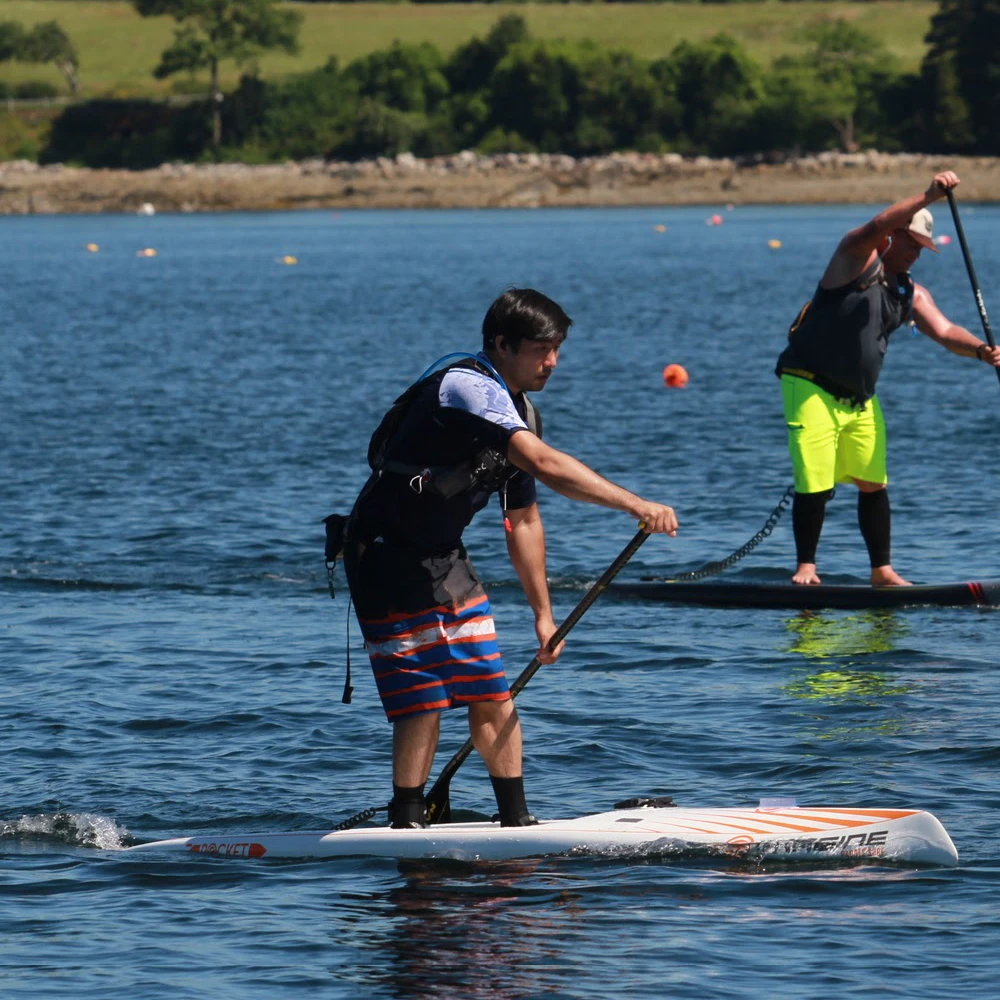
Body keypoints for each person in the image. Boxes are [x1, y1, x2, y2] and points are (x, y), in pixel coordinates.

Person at [343, 288, 678, 828]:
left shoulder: (523, 413)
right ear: (501, 344)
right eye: (540, 350)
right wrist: (635, 504)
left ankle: (516, 823)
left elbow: (523, 520)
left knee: (489, 689)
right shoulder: (465, 387)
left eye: (557, 349)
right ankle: (405, 820)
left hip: (442, 557)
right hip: (383, 558)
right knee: (423, 699)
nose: (551, 362)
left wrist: (543, 615)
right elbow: (544, 464)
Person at [775, 171, 1000, 587]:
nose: (916, 254)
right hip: (809, 384)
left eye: (922, 248)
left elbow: (948, 333)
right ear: (894, 235)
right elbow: (877, 224)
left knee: (874, 483)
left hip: (859, 399)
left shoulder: (911, 292)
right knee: (814, 480)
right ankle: (806, 567)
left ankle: (882, 571)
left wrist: (982, 352)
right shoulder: (853, 257)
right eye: (911, 243)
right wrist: (929, 196)